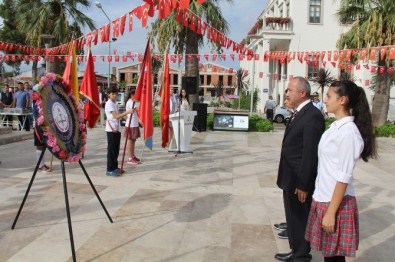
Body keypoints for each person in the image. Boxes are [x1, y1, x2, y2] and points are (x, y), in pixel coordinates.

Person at [305, 80, 377, 262]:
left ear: (343, 100)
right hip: (323, 197)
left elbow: (343, 177)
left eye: (329, 96)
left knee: (334, 258)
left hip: (335, 202)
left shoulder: (348, 134)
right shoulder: (335, 128)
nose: (325, 99)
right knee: (329, 255)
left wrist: (331, 212)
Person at [275, 77, 325, 262]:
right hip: (290, 177)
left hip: (299, 180)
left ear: (302, 93)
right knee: (293, 218)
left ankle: (302, 255)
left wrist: (304, 184)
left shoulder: (312, 116)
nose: (287, 93)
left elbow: (310, 154)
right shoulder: (298, 112)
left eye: (290, 90)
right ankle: (295, 250)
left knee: (300, 219)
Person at [105, 86, 133, 177]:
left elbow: (120, 116)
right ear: (109, 94)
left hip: (117, 128)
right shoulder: (109, 104)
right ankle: (110, 169)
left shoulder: (115, 103)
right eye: (112, 94)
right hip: (111, 129)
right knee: (112, 150)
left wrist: (127, 117)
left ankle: (115, 167)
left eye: (115, 94)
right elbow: (116, 116)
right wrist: (127, 112)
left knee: (116, 149)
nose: (114, 95)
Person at [32, 90, 51, 172]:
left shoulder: (47, 98)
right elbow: (36, 114)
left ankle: (42, 164)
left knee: (44, 146)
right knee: (40, 145)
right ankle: (40, 165)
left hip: (46, 125)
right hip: (40, 125)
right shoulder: (36, 99)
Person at [124, 88, 141, 165]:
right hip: (130, 125)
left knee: (133, 140)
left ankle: (133, 155)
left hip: (134, 124)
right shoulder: (130, 102)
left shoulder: (134, 102)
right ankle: (130, 157)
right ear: (132, 95)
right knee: (130, 141)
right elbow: (138, 109)